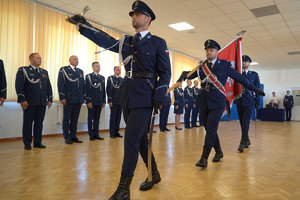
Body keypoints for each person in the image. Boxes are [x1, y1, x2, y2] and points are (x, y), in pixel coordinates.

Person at [67, 1, 171, 199]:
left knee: (131, 139)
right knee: (139, 139)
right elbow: (105, 40)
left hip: (145, 97)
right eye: (132, 14)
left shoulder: (158, 43)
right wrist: (84, 26)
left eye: (138, 14)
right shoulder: (126, 41)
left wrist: (159, 95)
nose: (133, 17)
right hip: (127, 95)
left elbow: (165, 73)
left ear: (147, 19)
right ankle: (154, 174)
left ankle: (124, 189)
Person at [179, 39, 265, 168]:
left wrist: (255, 89)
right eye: (207, 50)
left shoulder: (224, 65)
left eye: (212, 50)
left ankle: (204, 158)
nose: (209, 52)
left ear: (217, 52)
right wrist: (184, 75)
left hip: (218, 101)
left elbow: (239, 78)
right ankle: (218, 152)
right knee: (209, 129)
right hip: (203, 100)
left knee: (211, 129)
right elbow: (191, 75)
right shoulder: (202, 66)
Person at [15, 53, 52, 150]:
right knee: (28, 123)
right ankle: (27, 143)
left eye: (40, 58)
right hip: (29, 102)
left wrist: (50, 99)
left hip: (41, 102)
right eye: (37, 58)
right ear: (31, 60)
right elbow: (19, 86)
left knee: (39, 123)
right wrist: (22, 99)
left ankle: (37, 142)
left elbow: (48, 86)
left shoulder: (44, 72)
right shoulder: (23, 70)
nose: (40, 59)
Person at [233, 55, 261, 153]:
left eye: (246, 61)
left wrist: (257, 101)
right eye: (243, 61)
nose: (244, 63)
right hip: (239, 99)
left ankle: (242, 142)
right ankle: (247, 140)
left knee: (246, 122)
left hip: (249, 100)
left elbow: (258, 88)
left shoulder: (254, 74)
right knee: (242, 122)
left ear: (249, 63)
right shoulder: (237, 74)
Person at [58, 55, 84, 144]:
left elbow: (82, 86)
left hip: (78, 99)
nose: (76, 60)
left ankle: (73, 136)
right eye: (74, 59)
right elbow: (60, 84)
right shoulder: (64, 70)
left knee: (75, 119)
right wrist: (62, 97)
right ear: (69, 60)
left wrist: (83, 97)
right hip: (68, 98)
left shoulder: (80, 71)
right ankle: (67, 137)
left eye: (77, 59)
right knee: (66, 119)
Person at [85, 62, 106, 141]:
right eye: (97, 66)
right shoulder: (89, 76)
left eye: (99, 66)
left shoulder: (102, 78)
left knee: (97, 118)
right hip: (92, 101)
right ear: (93, 67)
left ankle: (96, 133)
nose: (99, 67)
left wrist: (104, 100)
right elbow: (87, 89)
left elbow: (103, 90)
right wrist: (88, 101)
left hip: (99, 101)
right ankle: (91, 134)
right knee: (91, 118)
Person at [107, 66, 123, 138]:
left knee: (118, 117)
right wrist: (110, 100)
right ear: (114, 70)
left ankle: (117, 131)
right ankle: (112, 132)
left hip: (120, 101)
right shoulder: (110, 78)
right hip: (113, 101)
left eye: (120, 70)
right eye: (117, 70)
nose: (119, 71)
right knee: (113, 117)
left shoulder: (122, 79)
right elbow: (109, 90)